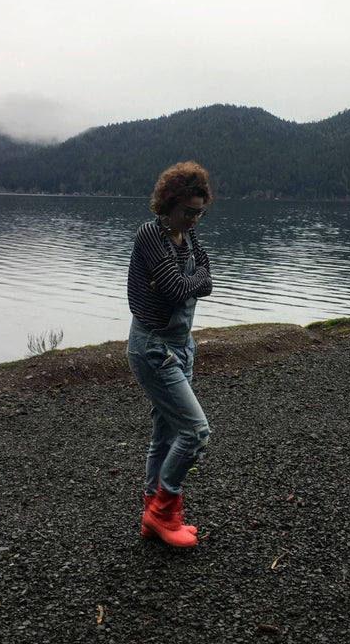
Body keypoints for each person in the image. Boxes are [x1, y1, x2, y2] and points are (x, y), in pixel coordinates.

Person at [126, 161, 214, 548]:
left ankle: (155, 515)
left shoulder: (188, 238)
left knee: (165, 433)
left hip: (182, 346)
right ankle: (162, 512)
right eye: (188, 212)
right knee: (196, 432)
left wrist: (186, 282)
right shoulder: (151, 235)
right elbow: (181, 289)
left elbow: (205, 281)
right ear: (168, 205)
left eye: (200, 212)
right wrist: (187, 283)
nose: (195, 219)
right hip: (153, 347)